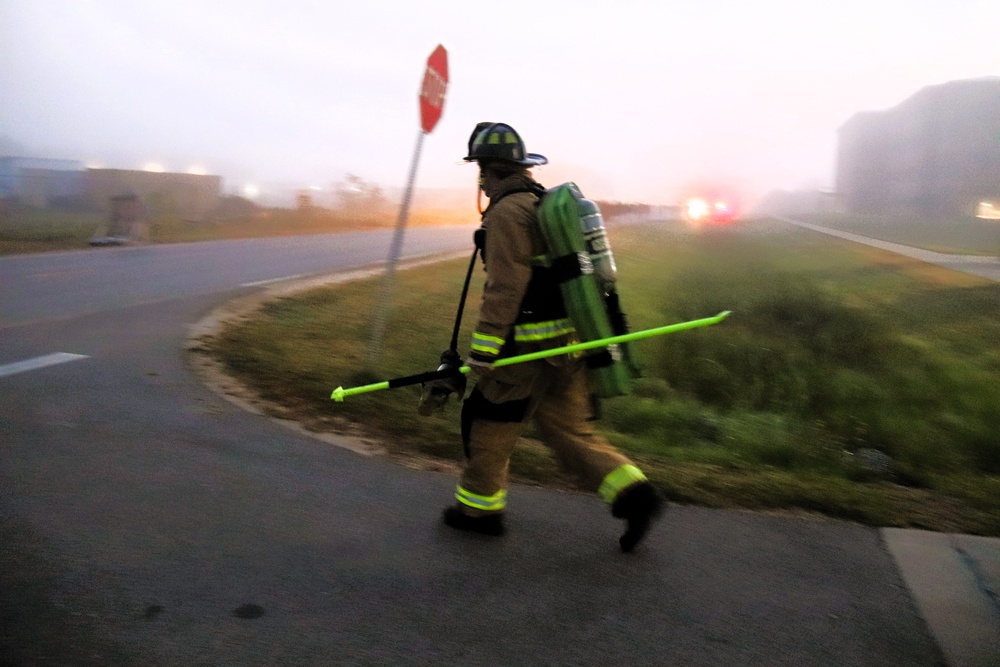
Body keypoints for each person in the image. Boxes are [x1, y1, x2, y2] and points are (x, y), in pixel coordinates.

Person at [426, 122, 663, 553]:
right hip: (568, 345)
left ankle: (479, 513)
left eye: (481, 171)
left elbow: (506, 287)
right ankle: (636, 497)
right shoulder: (543, 206)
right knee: (570, 431)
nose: (481, 180)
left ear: (487, 171)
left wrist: (485, 350)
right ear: (523, 167)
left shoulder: (506, 213)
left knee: (490, 426)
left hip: (526, 349)